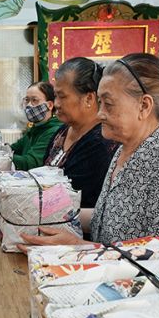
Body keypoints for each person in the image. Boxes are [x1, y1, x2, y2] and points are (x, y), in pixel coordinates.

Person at [22, 53, 159, 251]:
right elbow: (104, 220)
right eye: (100, 102)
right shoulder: (122, 151)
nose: (100, 113)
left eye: (108, 104)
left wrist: (79, 246)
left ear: (144, 105)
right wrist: (42, 212)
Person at [43, 57, 117, 207]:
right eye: (55, 96)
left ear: (89, 98)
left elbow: (74, 198)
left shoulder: (100, 143)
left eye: (62, 96)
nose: (56, 104)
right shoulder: (62, 131)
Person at [10, 81, 62, 170]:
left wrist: (1, 158)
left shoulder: (54, 131)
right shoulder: (34, 129)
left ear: (49, 105)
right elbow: (12, 149)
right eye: (27, 100)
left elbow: (30, 163)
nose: (29, 105)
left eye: (34, 100)